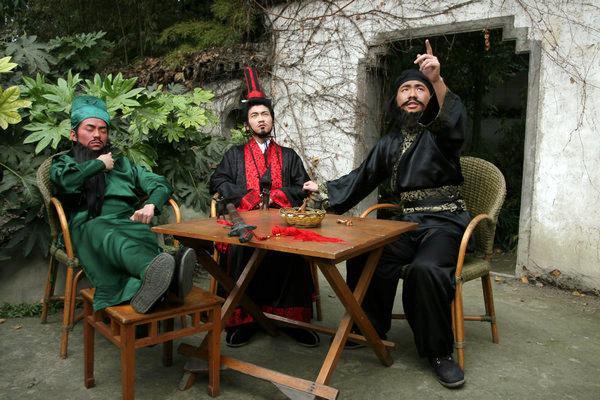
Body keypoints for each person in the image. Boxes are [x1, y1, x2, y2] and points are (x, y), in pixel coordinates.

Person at [303, 40, 469, 388]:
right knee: (365, 252)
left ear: (430, 98)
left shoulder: (441, 134)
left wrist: (436, 79)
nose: (412, 95)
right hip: (405, 224)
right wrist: (322, 191)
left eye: (420, 89)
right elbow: (361, 178)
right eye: (405, 90)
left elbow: (452, 120)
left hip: (444, 224)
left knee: (426, 269)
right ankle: (370, 327)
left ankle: (439, 352)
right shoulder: (389, 142)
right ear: (396, 99)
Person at [50, 95, 196, 313]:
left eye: (103, 130)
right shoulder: (64, 163)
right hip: (89, 226)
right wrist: (98, 165)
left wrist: (151, 205)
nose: (97, 134)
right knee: (108, 234)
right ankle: (166, 278)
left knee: (140, 234)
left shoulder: (124, 165)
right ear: (73, 134)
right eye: (90, 128)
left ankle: (155, 284)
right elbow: (65, 182)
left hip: (128, 223)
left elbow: (160, 183)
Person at [209, 67, 319, 347]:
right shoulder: (234, 155)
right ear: (248, 123)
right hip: (245, 221)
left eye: (265, 114)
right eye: (255, 115)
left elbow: (303, 186)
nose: (261, 119)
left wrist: (278, 195)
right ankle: (244, 320)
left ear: (272, 119)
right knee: (241, 249)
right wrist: (247, 196)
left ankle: (293, 320)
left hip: (281, 222)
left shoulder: (289, 155)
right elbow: (218, 181)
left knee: (292, 253)